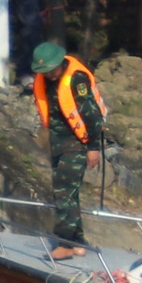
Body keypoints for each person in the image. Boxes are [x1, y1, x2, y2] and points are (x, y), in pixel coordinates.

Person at [30, 42, 104, 257]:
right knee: (68, 192)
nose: (49, 75)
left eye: (51, 70)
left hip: (77, 142)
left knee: (64, 193)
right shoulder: (45, 79)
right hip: (59, 141)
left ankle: (65, 244)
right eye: (44, 71)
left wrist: (93, 148)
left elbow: (93, 116)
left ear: (60, 63)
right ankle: (78, 241)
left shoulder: (76, 79)